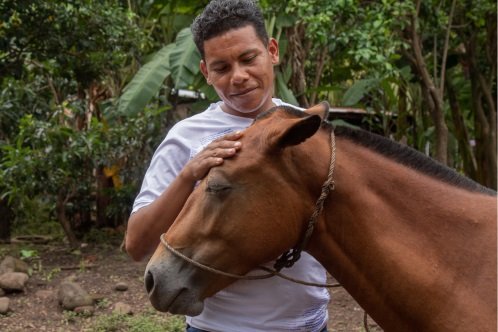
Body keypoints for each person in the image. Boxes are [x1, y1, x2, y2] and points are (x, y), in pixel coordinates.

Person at [125, 0, 330, 331]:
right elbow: (136, 245)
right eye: (221, 68)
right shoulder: (186, 137)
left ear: (272, 51)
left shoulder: (303, 126)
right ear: (206, 73)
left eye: (249, 59)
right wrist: (189, 174)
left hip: (309, 325)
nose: (239, 77)